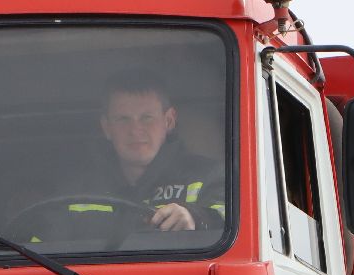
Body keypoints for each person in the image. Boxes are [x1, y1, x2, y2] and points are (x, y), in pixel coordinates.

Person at [44, 71, 225, 237]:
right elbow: (41, 250)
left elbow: (237, 228)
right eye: (123, 119)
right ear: (106, 127)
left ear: (169, 121)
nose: (135, 130)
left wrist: (196, 218)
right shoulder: (75, 190)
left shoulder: (209, 177)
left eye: (147, 118)